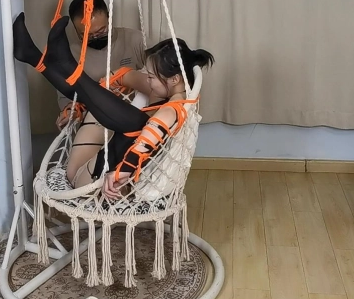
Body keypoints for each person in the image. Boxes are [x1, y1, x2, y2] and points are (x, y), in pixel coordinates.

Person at [13, 12, 214, 200]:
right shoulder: (160, 89)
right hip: (84, 166)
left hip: (94, 183)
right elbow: (124, 77)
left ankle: (50, 61)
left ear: (175, 79)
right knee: (97, 95)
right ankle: (34, 56)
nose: (147, 79)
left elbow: (149, 136)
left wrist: (123, 170)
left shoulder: (175, 109)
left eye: (152, 76)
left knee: (138, 124)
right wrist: (97, 93)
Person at [55, 0, 146, 129]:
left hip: (137, 116)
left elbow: (156, 78)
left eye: (101, 31)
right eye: (87, 35)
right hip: (96, 121)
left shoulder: (135, 40)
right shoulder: (71, 55)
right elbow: (66, 96)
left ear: (109, 18)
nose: (96, 37)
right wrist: (69, 111)